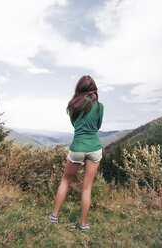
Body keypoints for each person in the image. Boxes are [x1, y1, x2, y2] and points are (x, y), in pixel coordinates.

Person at [48, 75, 104, 231]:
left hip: (77, 147)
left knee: (66, 180)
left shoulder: (72, 106)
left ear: (79, 88)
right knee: (87, 187)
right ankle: (83, 224)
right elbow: (97, 126)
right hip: (94, 147)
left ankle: (54, 216)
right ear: (93, 89)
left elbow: (75, 125)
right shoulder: (100, 107)